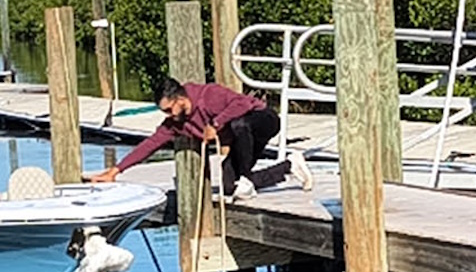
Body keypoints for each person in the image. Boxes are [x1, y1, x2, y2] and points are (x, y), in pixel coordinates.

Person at [88, 77, 314, 200]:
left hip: (263, 120)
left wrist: (216, 124)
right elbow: (150, 144)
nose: (168, 115)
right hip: (242, 139)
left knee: (238, 124)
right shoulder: (176, 123)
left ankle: (245, 179)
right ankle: (290, 165)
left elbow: (243, 103)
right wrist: (116, 170)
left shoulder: (208, 96)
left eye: (169, 110)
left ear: (180, 100)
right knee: (229, 187)